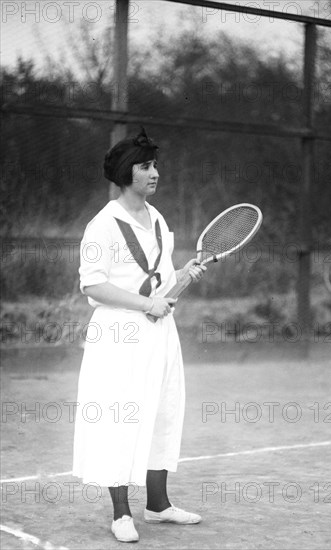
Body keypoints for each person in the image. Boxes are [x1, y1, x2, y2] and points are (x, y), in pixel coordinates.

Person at [72, 127, 206, 543]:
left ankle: (159, 505)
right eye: (146, 166)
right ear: (125, 172)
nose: (155, 173)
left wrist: (183, 278)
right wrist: (148, 304)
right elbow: (92, 286)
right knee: (120, 416)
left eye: (155, 165)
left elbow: (161, 284)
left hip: (160, 333)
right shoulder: (102, 226)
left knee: (164, 410)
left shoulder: (159, 218)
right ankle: (120, 513)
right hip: (119, 336)